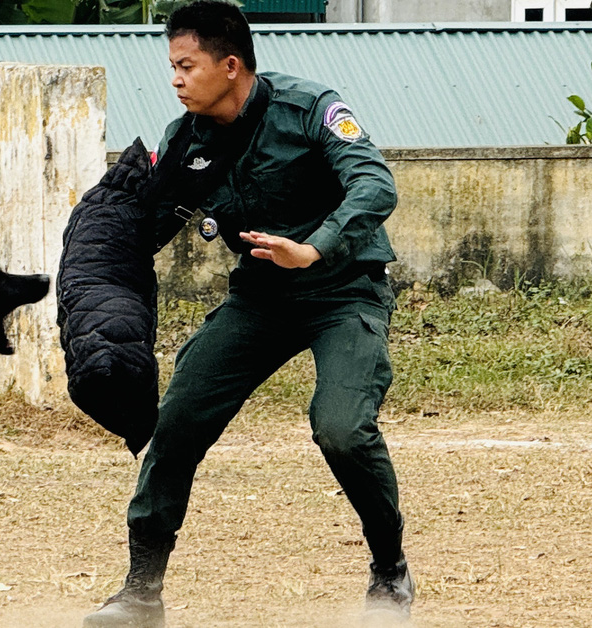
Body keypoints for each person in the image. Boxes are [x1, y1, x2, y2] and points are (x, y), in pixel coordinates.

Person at [82, 1, 414, 626]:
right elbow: (142, 232)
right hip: (260, 299)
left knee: (341, 427)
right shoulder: (184, 139)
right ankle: (140, 591)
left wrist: (313, 247)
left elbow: (376, 184)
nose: (175, 79)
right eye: (172, 66)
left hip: (343, 291)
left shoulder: (309, 109)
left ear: (230, 66)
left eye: (186, 66)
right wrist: (89, 285)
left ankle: (390, 568)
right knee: (175, 422)